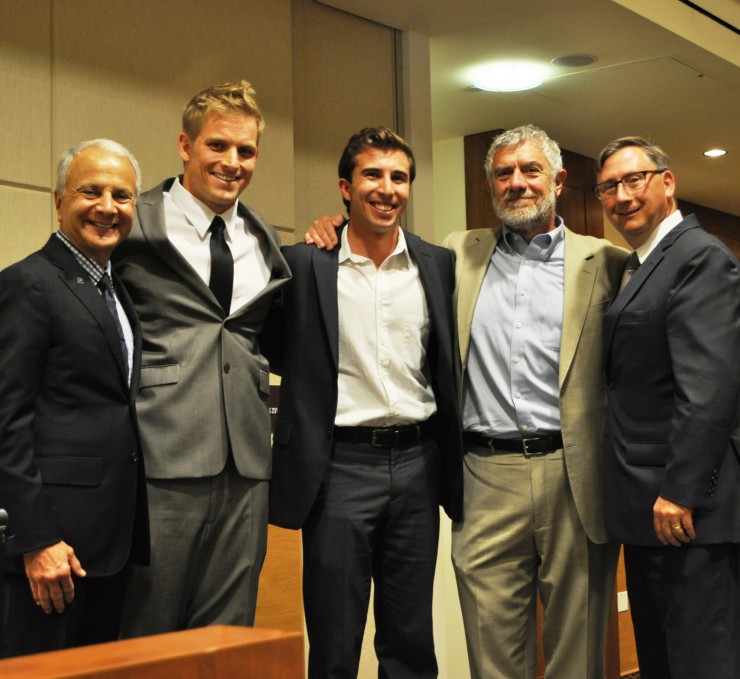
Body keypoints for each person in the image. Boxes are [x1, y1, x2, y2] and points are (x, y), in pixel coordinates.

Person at [306, 124, 627, 678]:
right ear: (489, 186)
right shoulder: (457, 254)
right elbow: (376, 234)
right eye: (503, 173)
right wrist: (331, 224)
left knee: (577, 650)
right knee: (491, 648)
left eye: (531, 170)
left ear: (559, 180)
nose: (517, 183)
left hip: (572, 476)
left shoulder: (607, 263)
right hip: (483, 476)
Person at [263, 127, 462, 678]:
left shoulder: (437, 264)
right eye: (372, 175)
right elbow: (277, 349)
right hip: (339, 469)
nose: (387, 188)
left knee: (410, 641)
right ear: (345, 188)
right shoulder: (304, 264)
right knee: (334, 641)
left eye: (399, 177)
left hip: (419, 463)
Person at [113, 81, 291, 636]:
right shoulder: (131, 223)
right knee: (147, 633)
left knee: (228, 636)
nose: (232, 162)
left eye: (246, 151)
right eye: (218, 146)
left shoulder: (263, 238)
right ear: (185, 146)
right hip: (160, 455)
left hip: (246, 465)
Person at [596, 136, 740, 679]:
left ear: (667, 182)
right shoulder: (642, 262)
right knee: (663, 661)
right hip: (648, 509)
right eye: (609, 186)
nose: (622, 196)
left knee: (702, 661)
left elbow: (709, 389)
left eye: (635, 180)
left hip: (686, 514)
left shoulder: (699, 258)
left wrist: (679, 491)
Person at [0, 139, 149, 657]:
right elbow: (6, 421)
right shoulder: (28, 285)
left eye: (122, 195)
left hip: (106, 546)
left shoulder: (116, 290)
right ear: (58, 200)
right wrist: (35, 538)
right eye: (92, 191)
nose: (108, 207)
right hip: (49, 551)